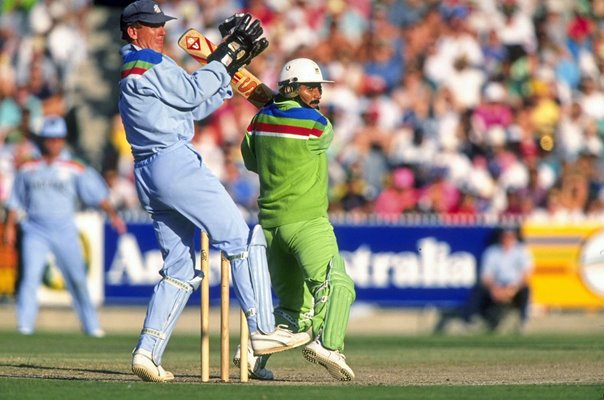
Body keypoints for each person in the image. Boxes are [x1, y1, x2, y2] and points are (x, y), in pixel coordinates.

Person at [117, 1, 310, 383]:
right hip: (173, 162)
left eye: (161, 24)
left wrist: (228, 69)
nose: (160, 30)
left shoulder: (144, 67)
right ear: (131, 31)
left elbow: (194, 106)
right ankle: (262, 329)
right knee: (240, 238)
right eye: (150, 25)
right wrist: (223, 58)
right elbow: (191, 93)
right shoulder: (145, 63)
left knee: (180, 268)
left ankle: (147, 351)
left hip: (150, 172)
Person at [240, 58, 356, 381]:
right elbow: (323, 136)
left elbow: (250, 160)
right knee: (338, 285)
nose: (318, 94)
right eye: (311, 88)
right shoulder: (317, 124)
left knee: (293, 310)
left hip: (270, 227)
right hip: (307, 223)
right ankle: (328, 346)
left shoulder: (257, 122)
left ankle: (251, 355)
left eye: (319, 88)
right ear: (292, 88)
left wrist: (274, 111)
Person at [3, 115, 127, 337]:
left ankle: (91, 326)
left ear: (63, 140)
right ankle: (24, 326)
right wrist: (10, 226)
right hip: (35, 229)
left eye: (57, 138)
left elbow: (96, 193)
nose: (53, 143)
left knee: (77, 278)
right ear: (43, 140)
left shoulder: (74, 166)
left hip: (64, 229)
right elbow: (15, 199)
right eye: (49, 139)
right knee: (30, 277)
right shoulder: (29, 166)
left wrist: (113, 215)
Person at [434, 226, 533, 334]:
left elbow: (525, 276)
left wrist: (512, 290)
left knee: (526, 290)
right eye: (505, 237)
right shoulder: (492, 252)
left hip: (514, 288)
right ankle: (468, 321)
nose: (507, 239)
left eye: (510, 237)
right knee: (479, 290)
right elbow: (486, 276)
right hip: (496, 287)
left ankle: (523, 322)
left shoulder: (521, 252)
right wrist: (494, 289)